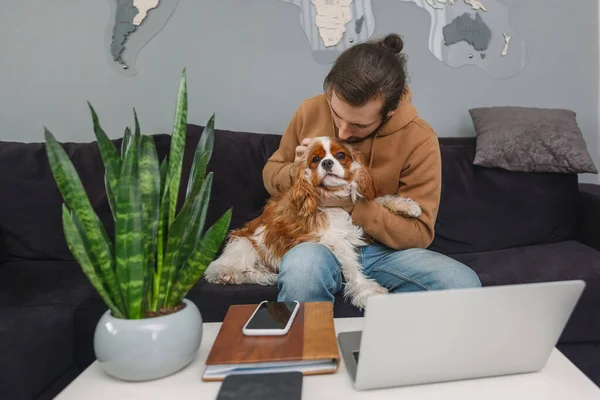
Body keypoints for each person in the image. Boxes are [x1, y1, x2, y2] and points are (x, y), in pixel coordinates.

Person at [262, 33, 481, 304]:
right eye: (337, 115)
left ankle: (391, 343)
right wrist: (300, 172)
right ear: (331, 92)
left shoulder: (420, 139)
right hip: (318, 241)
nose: (343, 131)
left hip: (384, 251)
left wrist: (353, 206)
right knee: (303, 272)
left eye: (359, 125)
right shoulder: (309, 111)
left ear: (389, 112)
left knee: (462, 284)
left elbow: (419, 233)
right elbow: (271, 174)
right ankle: (312, 345)